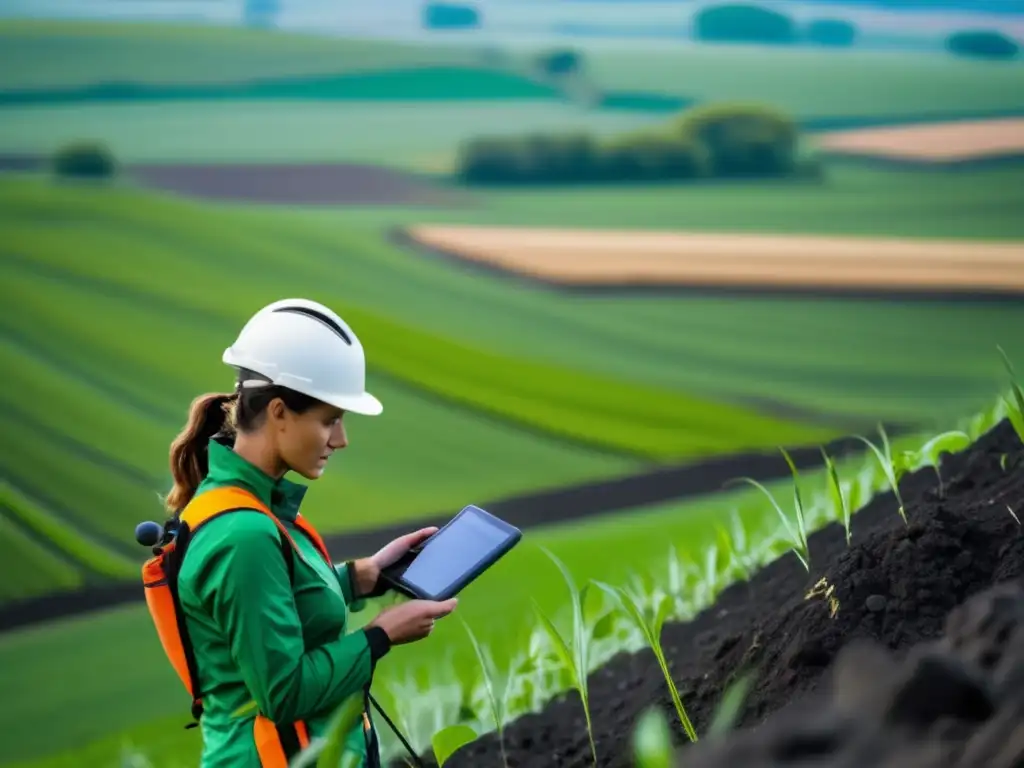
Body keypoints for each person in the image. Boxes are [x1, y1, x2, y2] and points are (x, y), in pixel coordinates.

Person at [164, 298, 457, 767]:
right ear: (279, 412)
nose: (341, 440)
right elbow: (284, 693)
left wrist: (363, 576)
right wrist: (380, 635)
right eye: (330, 420)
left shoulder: (251, 508)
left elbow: (275, 602)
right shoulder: (243, 535)